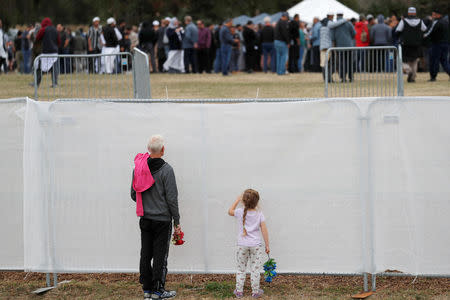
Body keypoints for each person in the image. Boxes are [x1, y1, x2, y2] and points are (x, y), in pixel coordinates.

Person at [131, 135, 180, 300]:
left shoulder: (138, 168)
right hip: (162, 221)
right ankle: (158, 290)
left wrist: (147, 200)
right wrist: (177, 221)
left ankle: (147, 290)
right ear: (163, 150)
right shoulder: (167, 170)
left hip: (145, 219)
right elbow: (172, 199)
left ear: (149, 150)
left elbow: (133, 194)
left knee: (145, 253)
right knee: (160, 256)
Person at [228, 189, 270, 299]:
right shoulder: (259, 214)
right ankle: (255, 292)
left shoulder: (239, 212)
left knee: (241, 269)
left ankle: (239, 291)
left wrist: (237, 200)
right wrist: (267, 245)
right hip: (256, 245)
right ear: (257, 202)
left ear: (243, 201)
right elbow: (264, 231)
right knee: (255, 270)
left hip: (242, 245)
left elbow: (230, 211)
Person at [396, 7, 427, 83]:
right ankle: (412, 78)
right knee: (414, 61)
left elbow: (397, 31)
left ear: (408, 13)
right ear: (415, 13)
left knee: (401, 60)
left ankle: (408, 70)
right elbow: (425, 29)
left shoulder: (403, 21)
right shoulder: (420, 21)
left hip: (406, 44)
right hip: (417, 44)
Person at [424, 8, 450, 82]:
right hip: (446, 44)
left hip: (437, 44)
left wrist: (424, 36)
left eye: (433, 14)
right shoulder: (446, 22)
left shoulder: (436, 22)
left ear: (437, 15)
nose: (432, 16)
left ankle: (433, 77)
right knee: (444, 61)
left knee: (434, 60)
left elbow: (429, 32)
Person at [35, 17, 60, 87]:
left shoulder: (43, 29)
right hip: (54, 52)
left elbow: (37, 38)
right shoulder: (55, 30)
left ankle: (37, 83)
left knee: (40, 68)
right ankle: (55, 83)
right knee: (54, 69)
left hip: (45, 52)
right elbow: (59, 41)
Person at [331, 12, 356, 82]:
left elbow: (332, 37)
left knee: (341, 62)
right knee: (350, 62)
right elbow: (354, 33)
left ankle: (343, 78)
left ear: (337, 16)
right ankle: (351, 77)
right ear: (342, 15)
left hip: (340, 47)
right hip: (349, 46)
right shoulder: (348, 23)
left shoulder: (335, 24)